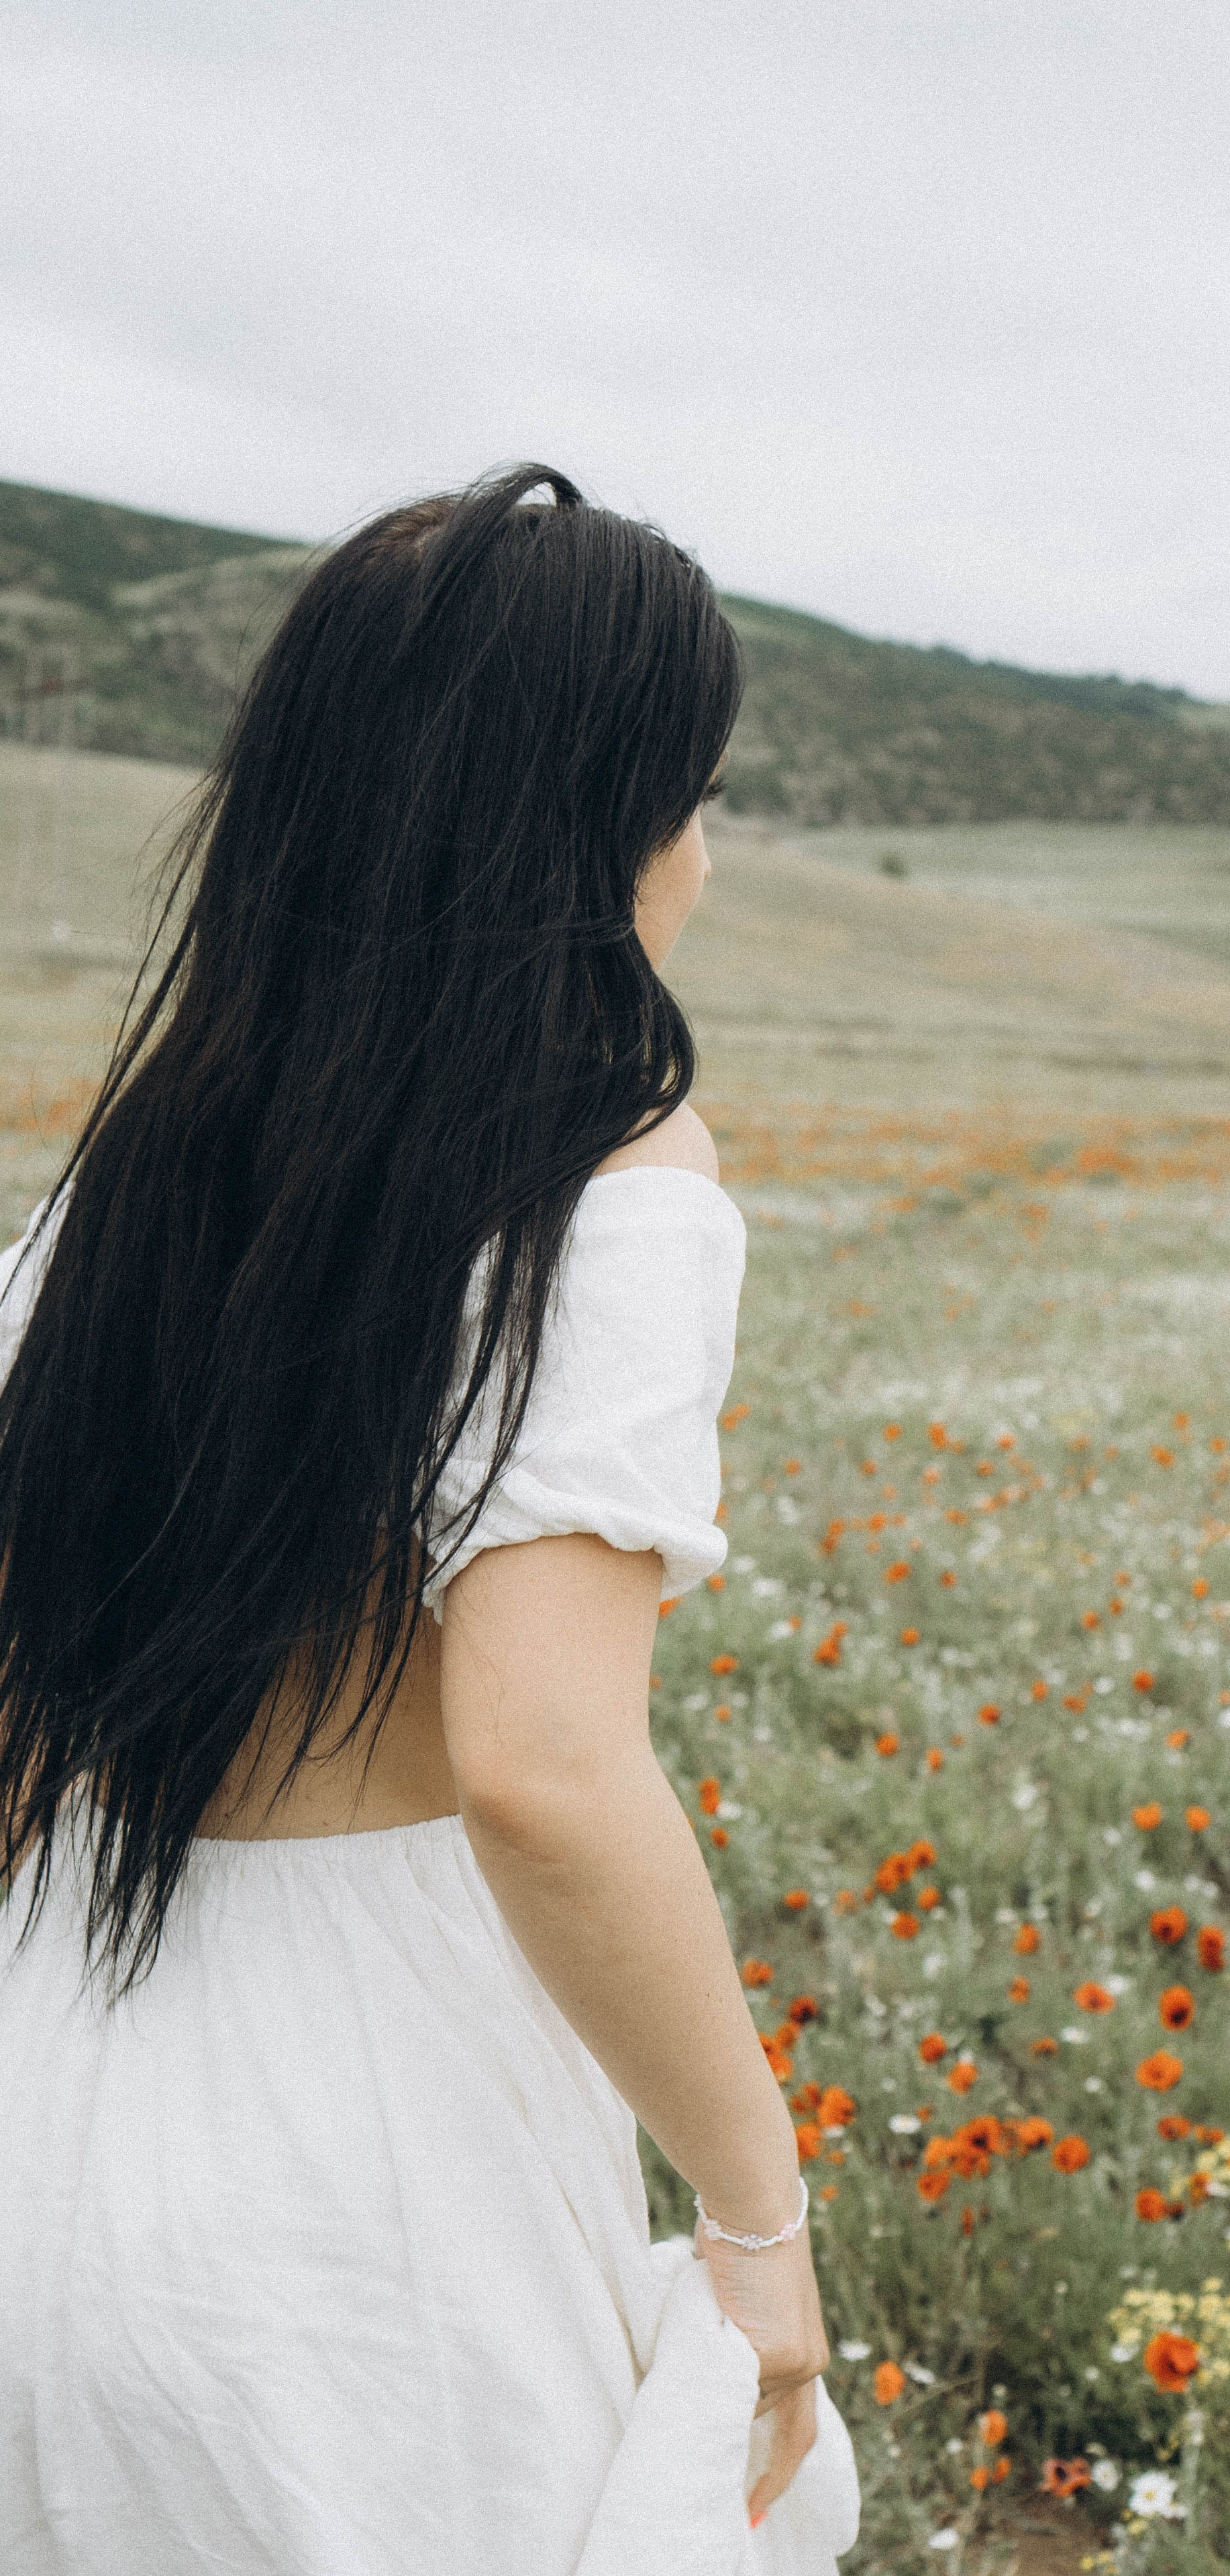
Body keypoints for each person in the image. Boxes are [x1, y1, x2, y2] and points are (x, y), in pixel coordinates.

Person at [0, 468, 856, 2575]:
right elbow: (545, 1771)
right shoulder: (613, 1184)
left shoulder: (112, 1187)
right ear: (595, 826)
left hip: (53, 2093)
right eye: (691, 795)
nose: (708, 859)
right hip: (374, 2163)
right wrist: (759, 2225)